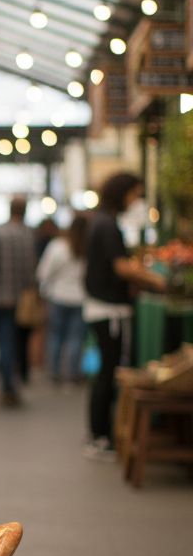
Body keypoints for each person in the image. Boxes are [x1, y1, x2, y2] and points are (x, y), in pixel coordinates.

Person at [83, 172, 165, 460]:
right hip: (109, 310)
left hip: (101, 308)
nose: (136, 200)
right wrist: (155, 280)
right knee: (109, 370)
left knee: (107, 370)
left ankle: (100, 434)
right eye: (135, 193)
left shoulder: (102, 221)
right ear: (123, 192)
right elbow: (122, 268)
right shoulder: (107, 224)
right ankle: (101, 437)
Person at [0, 196, 37, 406]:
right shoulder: (27, 236)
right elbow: (30, 269)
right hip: (13, 297)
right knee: (8, 345)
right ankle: (7, 389)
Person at [37, 214, 88, 384]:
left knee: (56, 335)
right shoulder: (87, 248)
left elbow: (43, 272)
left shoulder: (57, 247)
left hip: (58, 297)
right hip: (80, 299)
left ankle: (54, 371)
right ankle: (73, 373)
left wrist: (44, 291)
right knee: (76, 338)